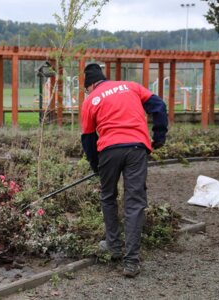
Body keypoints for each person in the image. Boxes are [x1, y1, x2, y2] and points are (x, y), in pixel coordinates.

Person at [81, 63, 168, 278]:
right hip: (137, 147)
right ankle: (131, 262)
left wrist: (96, 166)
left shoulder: (91, 100)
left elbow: (88, 139)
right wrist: (158, 137)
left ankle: (114, 246)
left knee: (108, 196)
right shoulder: (131, 86)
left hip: (109, 151)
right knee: (135, 201)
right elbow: (159, 106)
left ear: (90, 85)